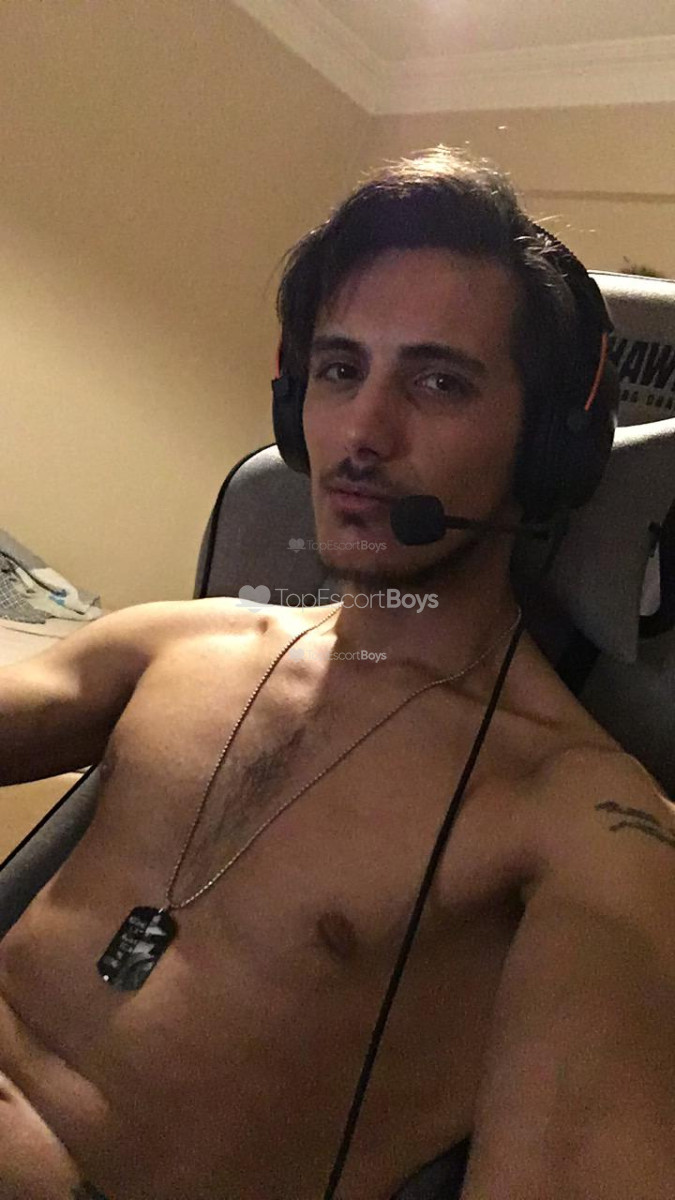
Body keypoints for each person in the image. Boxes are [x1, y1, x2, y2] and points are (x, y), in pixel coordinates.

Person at [0, 146, 674, 1200]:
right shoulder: (183, 643)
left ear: (545, 446)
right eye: (339, 370)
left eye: (439, 382)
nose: (362, 433)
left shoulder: (580, 820)